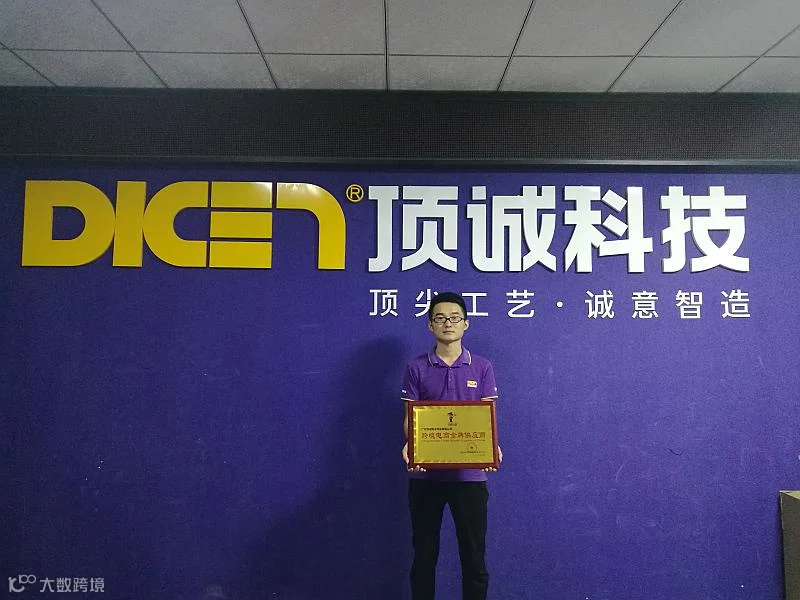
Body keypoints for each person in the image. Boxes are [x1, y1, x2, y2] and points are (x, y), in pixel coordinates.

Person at [401, 291, 501, 600]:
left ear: (466, 324)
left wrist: (492, 446)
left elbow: (487, 416)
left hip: (470, 478)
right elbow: (410, 417)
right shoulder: (416, 367)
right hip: (425, 477)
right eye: (440, 318)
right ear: (430, 325)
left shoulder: (481, 366)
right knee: (424, 557)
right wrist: (410, 445)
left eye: (455, 317)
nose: (448, 323)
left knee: (474, 559)